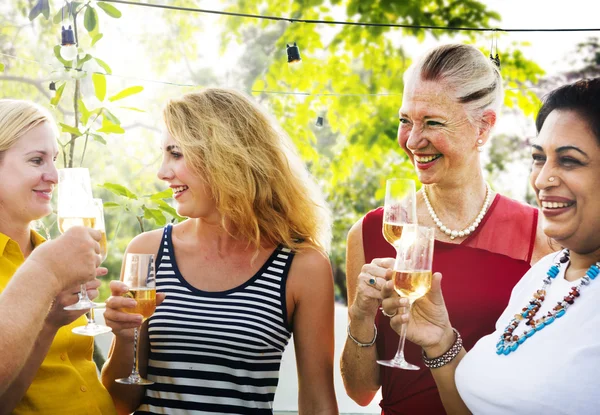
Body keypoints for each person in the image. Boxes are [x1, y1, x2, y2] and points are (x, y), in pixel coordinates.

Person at [340, 43, 554, 414]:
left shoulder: (540, 239)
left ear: (483, 127)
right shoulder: (371, 231)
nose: (412, 140)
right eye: (406, 119)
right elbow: (360, 392)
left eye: (432, 122)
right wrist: (359, 318)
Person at [101, 88, 338, 414]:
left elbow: (318, 403)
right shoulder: (148, 252)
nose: (162, 172)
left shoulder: (302, 265)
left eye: (176, 153)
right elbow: (119, 401)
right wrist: (125, 337)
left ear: (227, 157)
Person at [381, 77, 600, 414]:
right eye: (539, 158)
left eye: (569, 160)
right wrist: (440, 341)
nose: (542, 179)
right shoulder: (542, 275)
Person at [0, 99, 116, 414]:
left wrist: (128, 334)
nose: (53, 175)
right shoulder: (50, 265)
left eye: (54, 159)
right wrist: (50, 323)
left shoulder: (54, 256)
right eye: (37, 160)